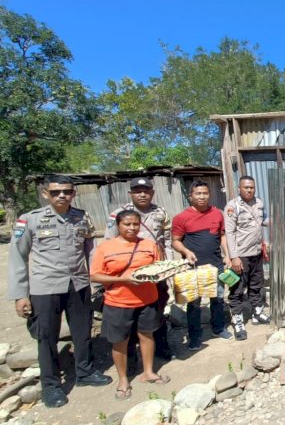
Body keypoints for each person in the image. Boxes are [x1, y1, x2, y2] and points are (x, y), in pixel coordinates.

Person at [7, 175, 111, 408]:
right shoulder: (31, 220)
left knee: (83, 330)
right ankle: (51, 385)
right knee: (46, 337)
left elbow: (90, 251)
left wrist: (96, 281)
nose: (62, 195)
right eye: (56, 192)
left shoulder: (81, 217)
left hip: (78, 284)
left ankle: (84, 372)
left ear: (73, 193)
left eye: (67, 191)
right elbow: (18, 258)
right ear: (46, 194)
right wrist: (20, 294)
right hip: (45, 287)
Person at [91, 210, 170, 400]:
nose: (132, 228)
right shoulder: (106, 247)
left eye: (136, 224)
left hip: (147, 300)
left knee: (146, 335)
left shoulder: (149, 245)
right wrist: (123, 279)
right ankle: (123, 379)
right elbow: (94, 275)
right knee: (120, 341)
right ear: (118, 225)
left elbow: (160, 268)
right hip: (118, 301)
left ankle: (148, 372)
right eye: (127, 224)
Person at [105, 177, 174, 361]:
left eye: (146, 190)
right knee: (129, 315)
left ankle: (161, 346)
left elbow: (167, 242)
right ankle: (132, 355)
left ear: (152, 192)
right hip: (129, 276)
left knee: (158, 310)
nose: (142, 194)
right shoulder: (119, 214)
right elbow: (108, 245)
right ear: (131, 193)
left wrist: (168, 270)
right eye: (137, 191)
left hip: (156, 273)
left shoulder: (161, 213)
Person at [172, 180, 232, 350]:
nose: (202, 196)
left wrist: (227, 255)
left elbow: (222, 236)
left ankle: (218, 328)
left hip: (216, 266)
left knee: (218, 298)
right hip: (194, 268)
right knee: (194, 304)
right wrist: (186, 252)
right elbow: (175, 241)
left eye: (205, 193)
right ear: (190, 196)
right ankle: (195, 338)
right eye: (198, 193)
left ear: (209, 195)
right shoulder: (181, 218)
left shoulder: (217, 214)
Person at [224, 175, 270, 340]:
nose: (249, 190)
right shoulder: (232, 206)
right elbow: (229, 232)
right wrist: (234, 257)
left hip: (256, 252)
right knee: (237, 289)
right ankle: (237, 320)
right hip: (241, 255)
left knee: (256, 284)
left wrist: (276, 220)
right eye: (246, 187)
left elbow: (262, 221)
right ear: (239, 188)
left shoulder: (259, 202)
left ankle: (256, 312)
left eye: (252, 187)